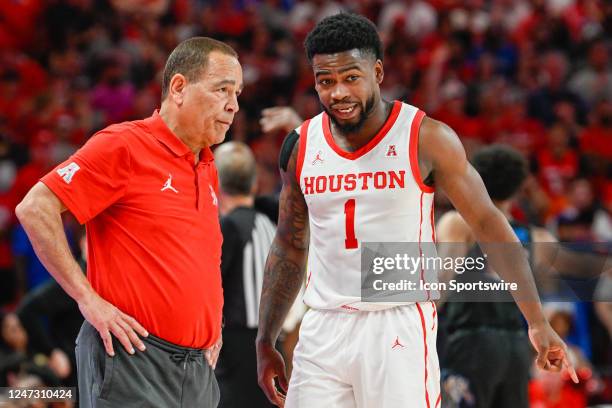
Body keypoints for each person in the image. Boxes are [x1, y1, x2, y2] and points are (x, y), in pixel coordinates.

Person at [255, 13, 577, 408]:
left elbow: (489, 222)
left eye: (351, 77)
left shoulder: (426, 136)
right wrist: (265, 338)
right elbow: (289, 245)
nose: (338, 92)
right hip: (323, 323)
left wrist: (537, 321)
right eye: (326, 81)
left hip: (397, 320)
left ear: (377, 71)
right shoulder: (301, 145)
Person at [15, 36, 243, 408]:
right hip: (133, 358)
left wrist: (210, 320)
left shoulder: (206, 166)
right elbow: (34, 208)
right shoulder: (124, 145)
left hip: (196, 367)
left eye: (238, 94)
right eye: (223, 90)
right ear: (179, 87)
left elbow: (200, 255)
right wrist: (87, 299)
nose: (233, 106)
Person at [435, 145, 557, 408]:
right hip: (516, 345)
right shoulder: (539, 237)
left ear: (475, 178)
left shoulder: (458, 222)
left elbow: (441, 280)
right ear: (517, 187)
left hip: (471, 342)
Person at [214, 141, 276, 408]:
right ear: (254, 184)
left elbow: (211, 286)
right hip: (271, 339)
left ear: (216, 185)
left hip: (236, 344)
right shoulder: (270, 224)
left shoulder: (228, 226)